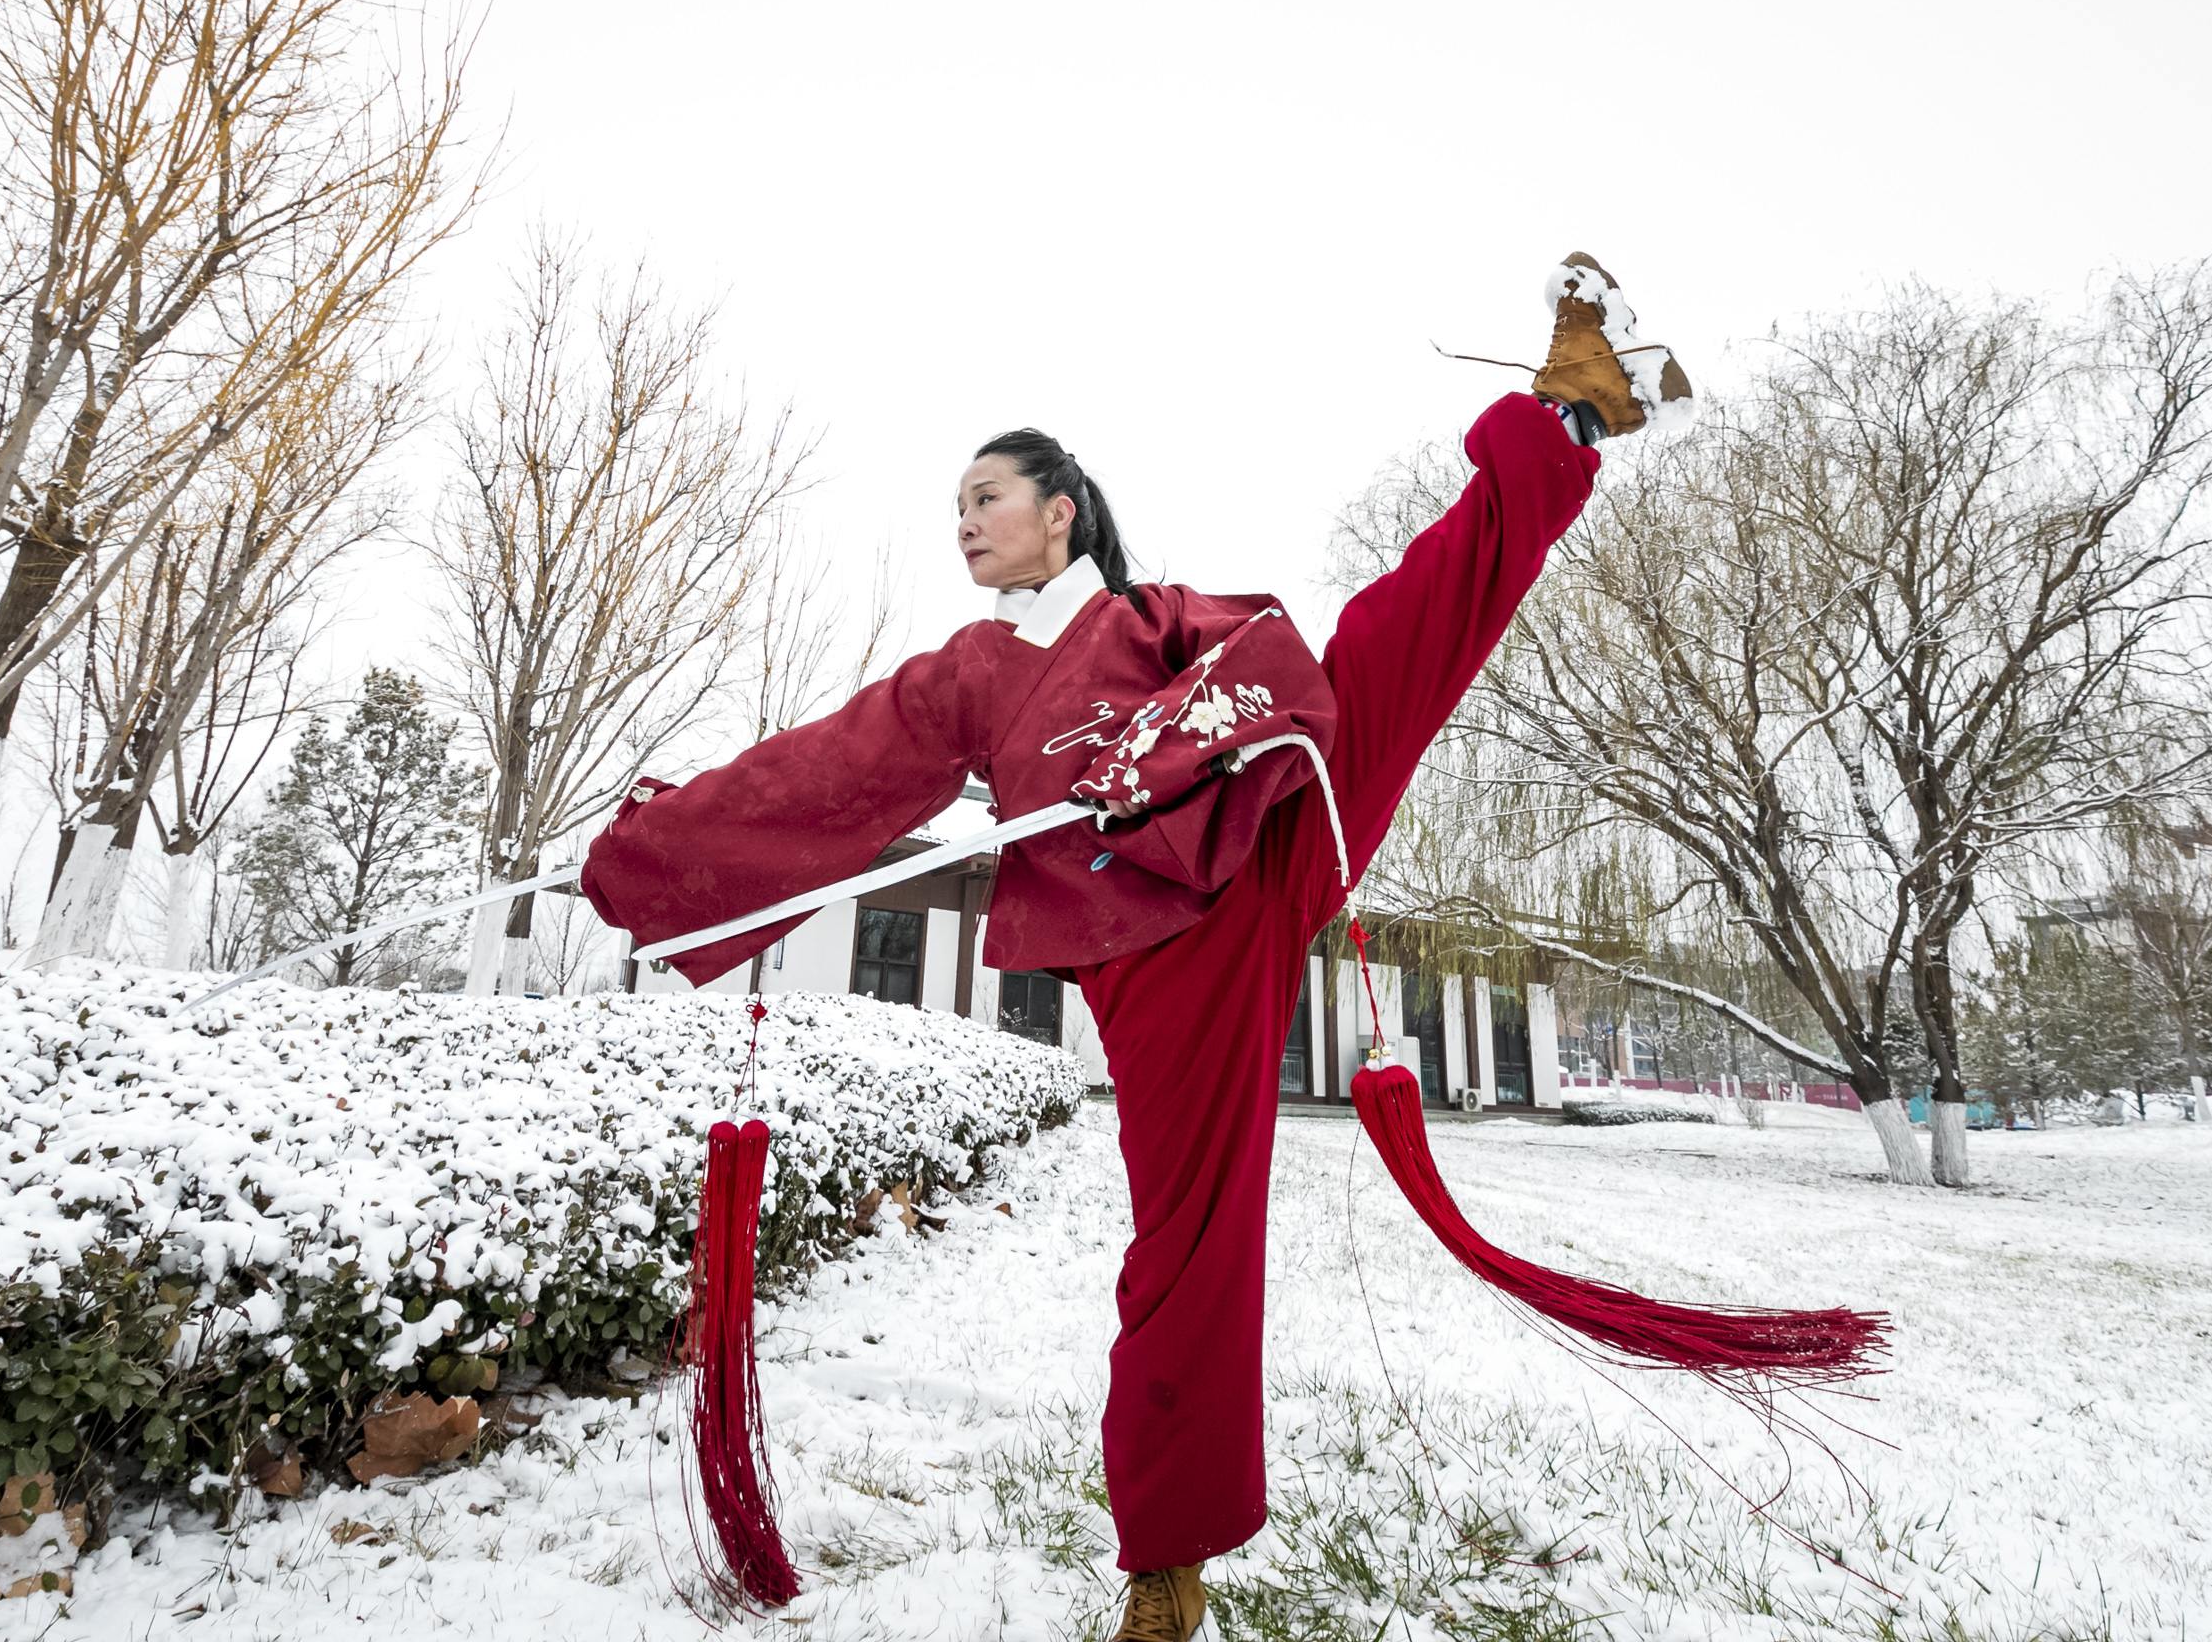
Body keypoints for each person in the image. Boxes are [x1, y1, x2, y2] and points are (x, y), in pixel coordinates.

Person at [584, 256, 1676, 1642]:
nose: (966, 524)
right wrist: (656, 851)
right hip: (1161, 959)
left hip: (1275, 838)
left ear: (1061, 509)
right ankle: (1170, 1568)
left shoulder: (1154, 619)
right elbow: (833, 773)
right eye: (954, 508)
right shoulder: (969, 676)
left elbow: (1272, 673)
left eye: (986, 497)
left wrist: (1180, 743)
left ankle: (1571, 410)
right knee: (1187, 1245)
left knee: (1393, 636)